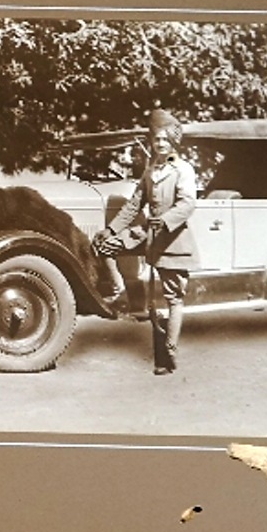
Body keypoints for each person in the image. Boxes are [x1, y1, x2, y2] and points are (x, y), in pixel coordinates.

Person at [94, 109, 200, 375]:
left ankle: (169, 353)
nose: (160, 144)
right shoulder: (151, 170)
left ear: (173, 141)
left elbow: (188, 203)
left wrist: (165, 220)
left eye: (165, 139)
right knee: (106, 247)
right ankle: (120, 293)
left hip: (172, 238)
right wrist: (111, 229)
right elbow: (133, 205)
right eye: (156, 140)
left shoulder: (183, 170)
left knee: (174, 298)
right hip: (148, 233)